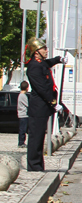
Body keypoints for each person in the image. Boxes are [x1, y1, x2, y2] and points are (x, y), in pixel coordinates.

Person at [24, 38, 63, 172]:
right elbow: (41, 88)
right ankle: (34, 165)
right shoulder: (34, 66)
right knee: (36, 137)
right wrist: (53, 103)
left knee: (41, 137)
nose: (46, 51)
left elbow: (48, 62)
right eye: (44, 49)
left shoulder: (41, 63)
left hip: (43, 107)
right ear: (36, 52)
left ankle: (38, 164)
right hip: (38, 107)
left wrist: (59, 59)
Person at [17, 81, 29, 148]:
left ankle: (21, 142)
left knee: (23, 129)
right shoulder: (23, 96)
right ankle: (21, 142)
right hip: (23, 115)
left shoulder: (20, 95)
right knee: (23, 129)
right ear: (27, 88)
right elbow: (28, 105)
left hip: (22, 114)